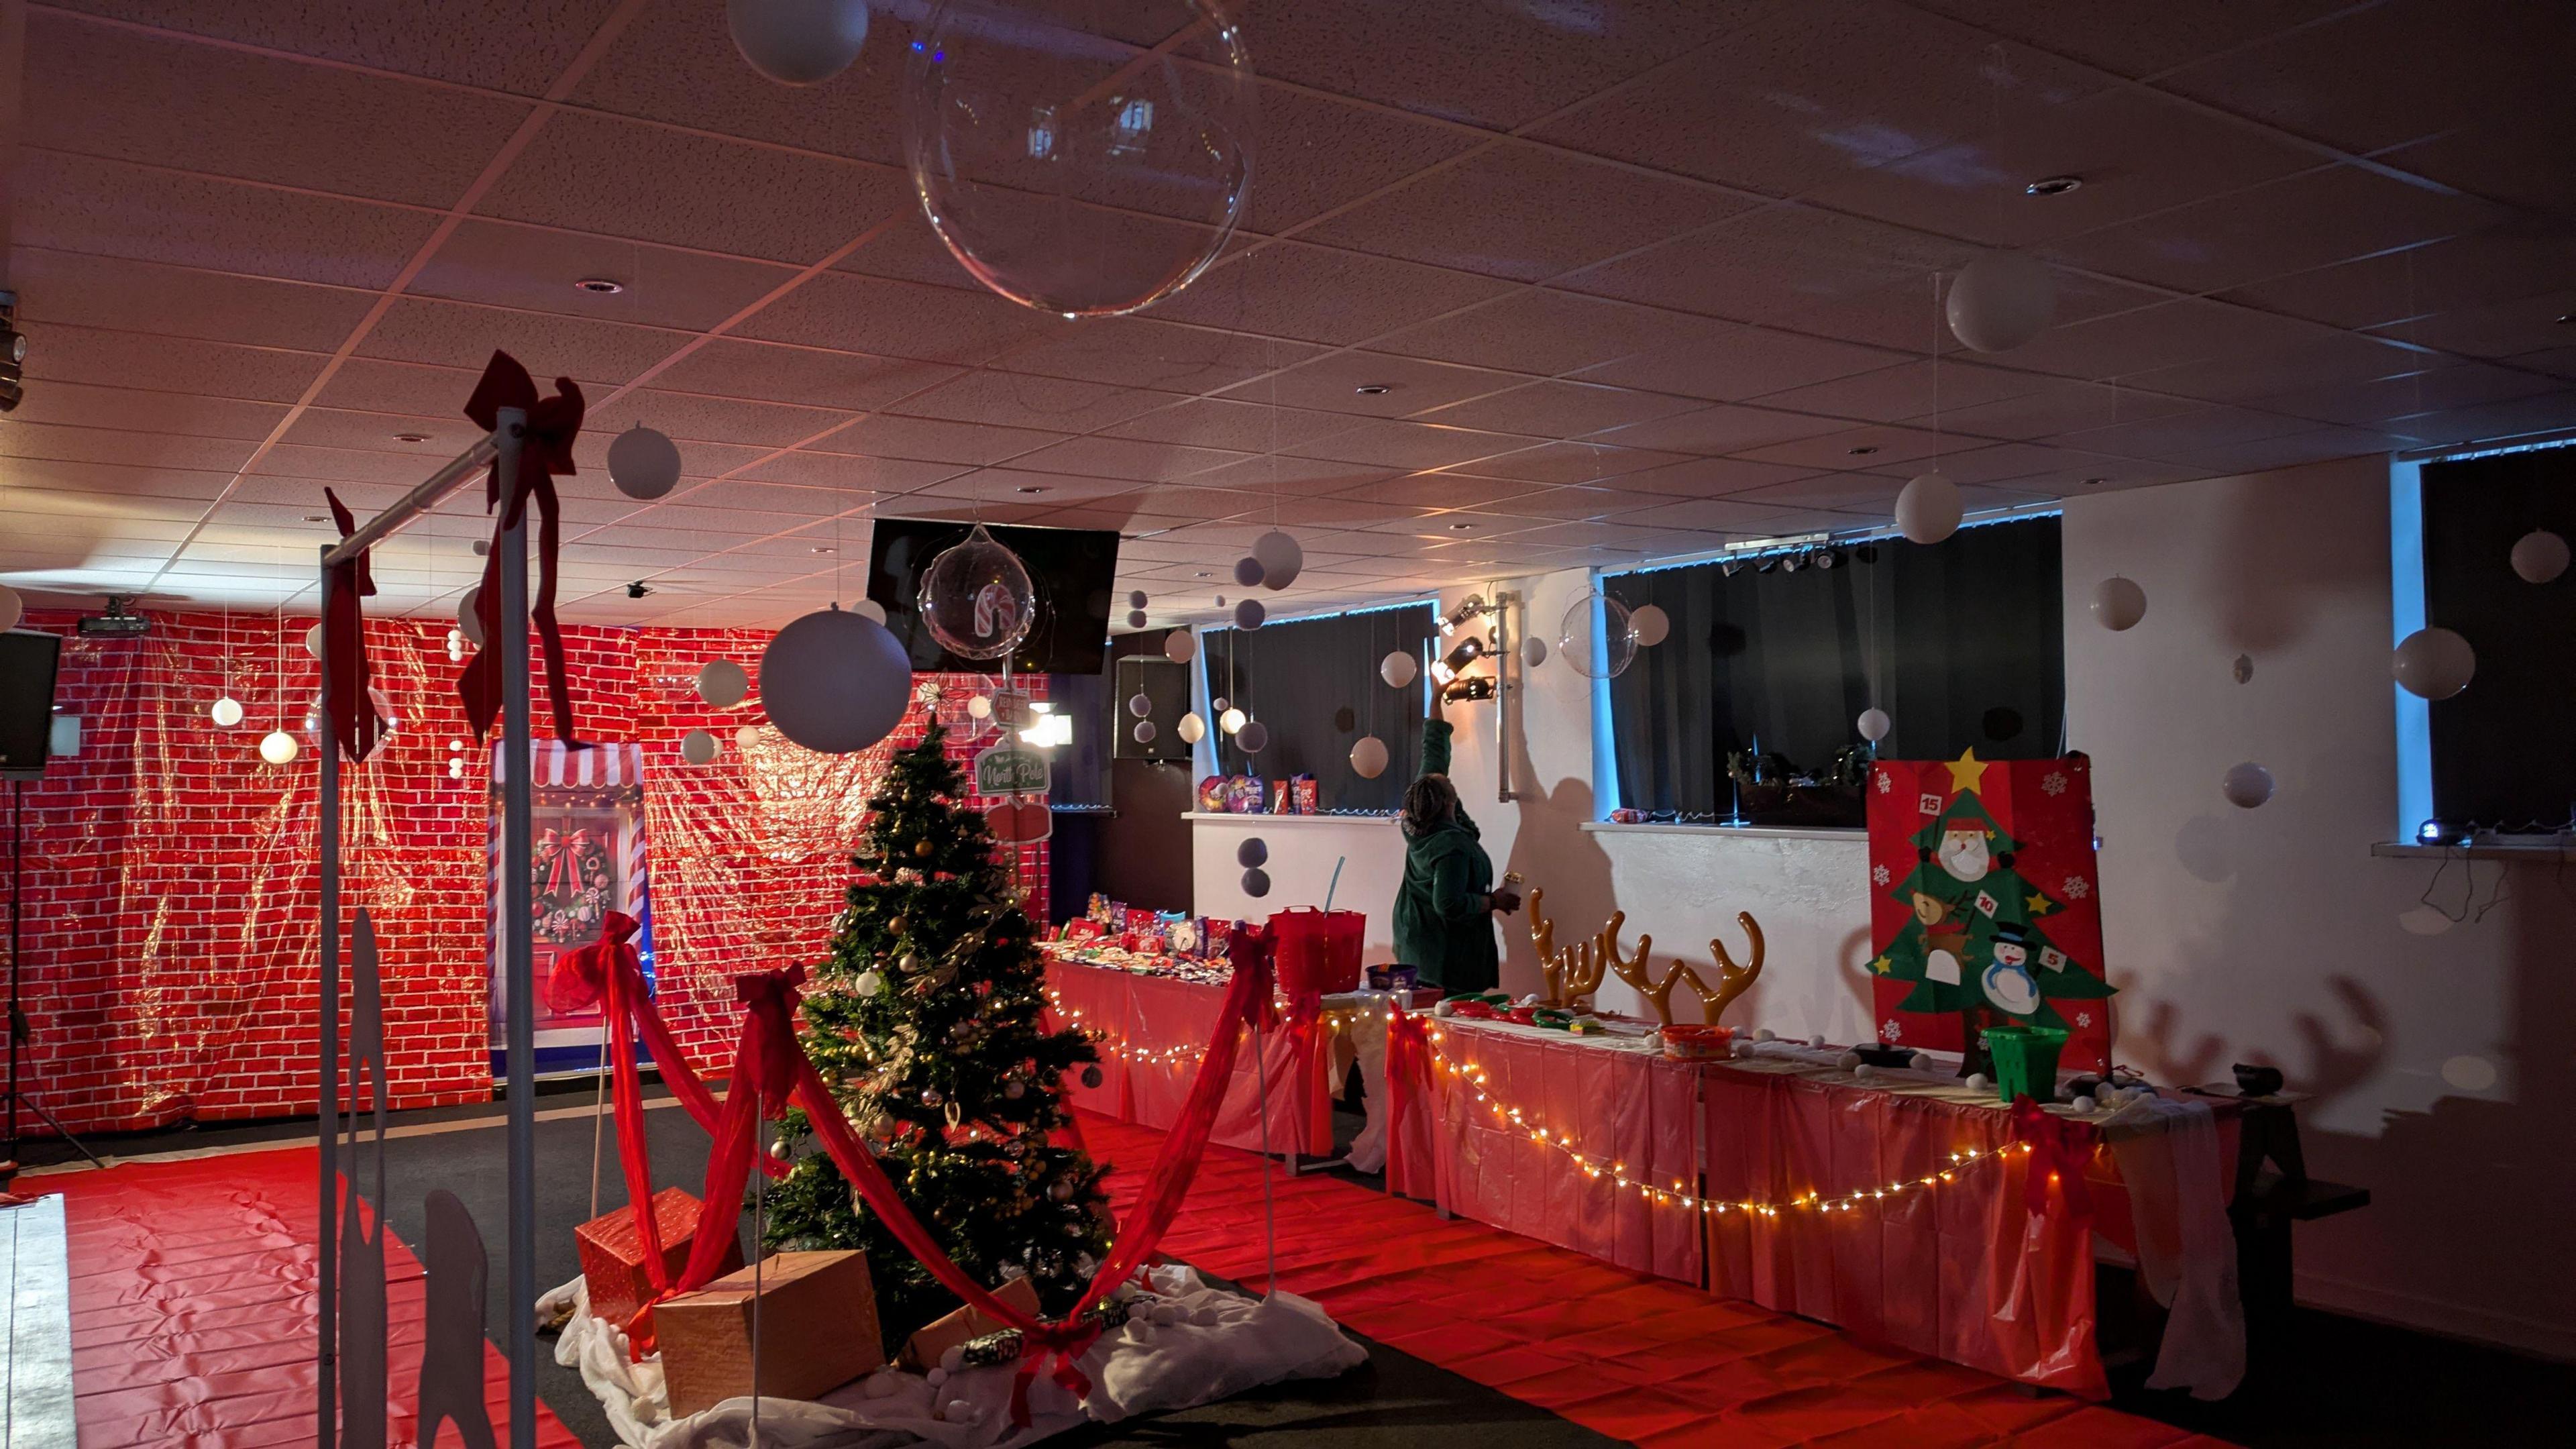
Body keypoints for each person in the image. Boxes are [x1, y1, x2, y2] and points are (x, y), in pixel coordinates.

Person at [1393, 684, 1520, 994]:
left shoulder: (1419, 814)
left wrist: (1436, 698)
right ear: (1450, 803)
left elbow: (1433, 748)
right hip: (1443, 958)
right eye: (1445, 779)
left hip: (1416, 943)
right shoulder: (1451, 847)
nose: (1442, 773)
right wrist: (1494, 901)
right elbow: (1447, 903)